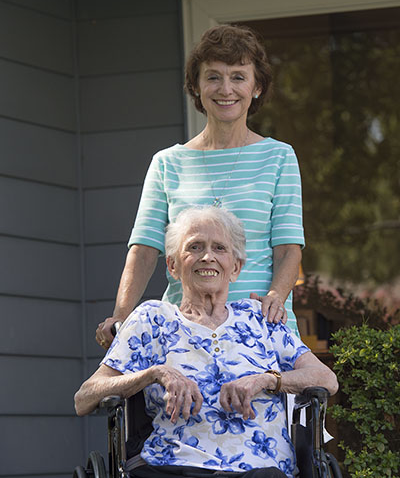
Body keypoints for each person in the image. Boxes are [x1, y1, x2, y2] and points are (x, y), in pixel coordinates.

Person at [78, 207, 338, 478]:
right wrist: (155, 374)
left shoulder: (258, 318)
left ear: (235, 267)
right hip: (174, 468)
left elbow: (327, 379)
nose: (207, 257)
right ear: (173, 266)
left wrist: (266, 379)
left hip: (261, 470)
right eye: (195, 247)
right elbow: (84, 398)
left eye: (220, 248)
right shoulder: (152, 319)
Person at [96, 24, 304, 349]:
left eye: (238, 76)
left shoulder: (278, 156)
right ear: (196, 86)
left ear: (257, 86)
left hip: (260, 327)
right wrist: (120, 317)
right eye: (213, 77)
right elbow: (144, 251)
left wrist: (276, 296)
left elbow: (289, 249)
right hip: (186, 333)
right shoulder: (167, 163)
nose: (226, 89)